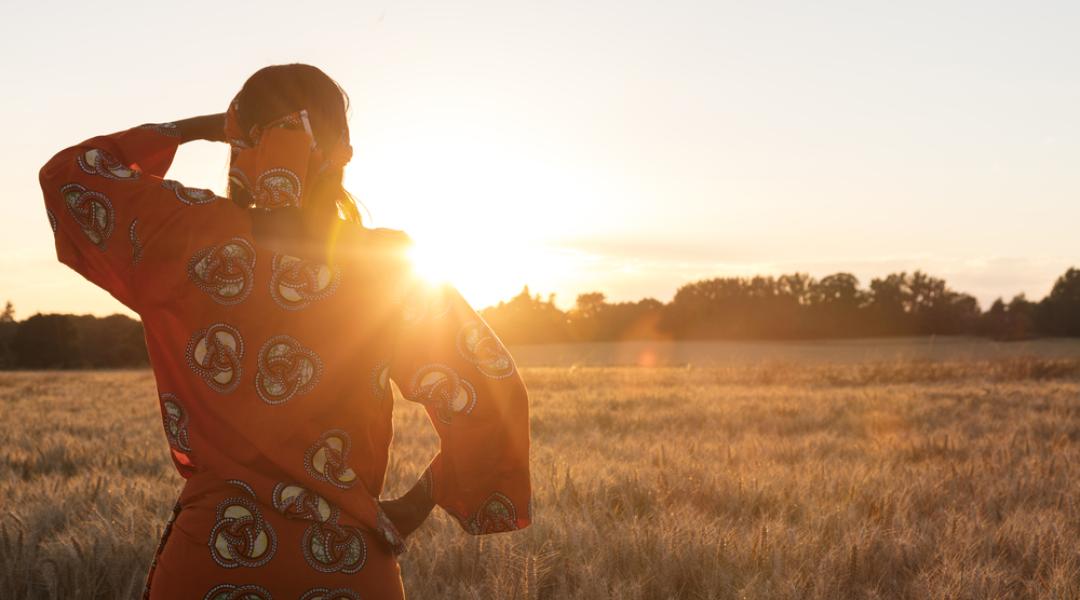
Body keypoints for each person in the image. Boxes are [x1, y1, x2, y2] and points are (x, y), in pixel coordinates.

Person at [38, 64, 532, 600]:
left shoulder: (182, 233)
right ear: (342, 149)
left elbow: (70, 176)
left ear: (240, 140)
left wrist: (194, 127)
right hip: (350, 567)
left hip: (208, 564)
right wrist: (412, 507)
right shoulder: (385, 264)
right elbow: (491, 389)